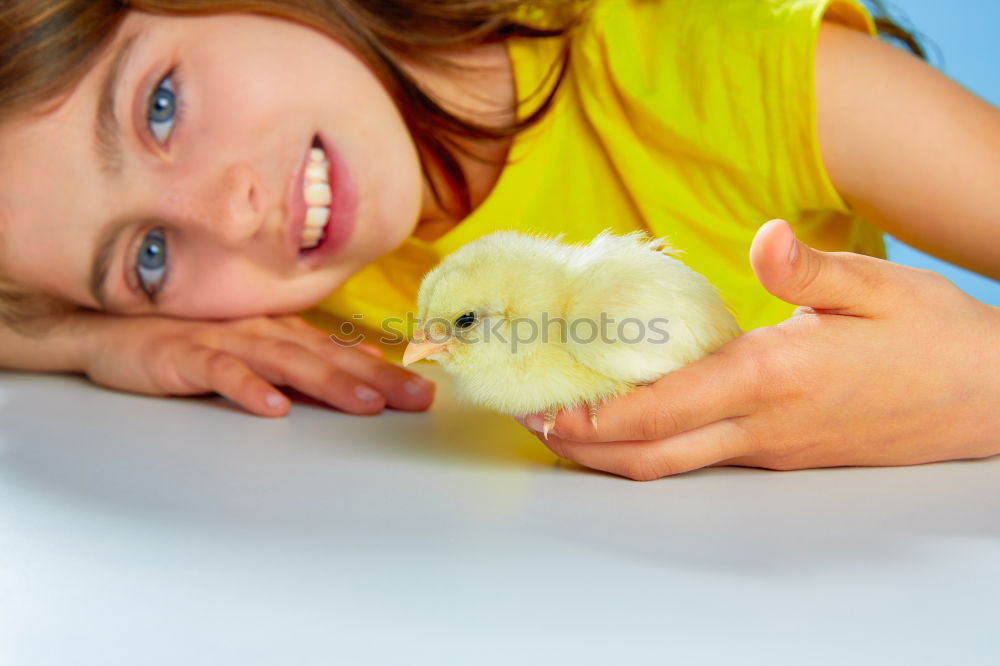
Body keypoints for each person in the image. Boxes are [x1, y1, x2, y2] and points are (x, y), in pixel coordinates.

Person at [0, 0, 996, 480]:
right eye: (147, 256)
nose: (226, 215)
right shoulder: (313, 307)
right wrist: (85, 337)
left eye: (161, 106)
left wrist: (972, 393)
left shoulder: (732, 74)